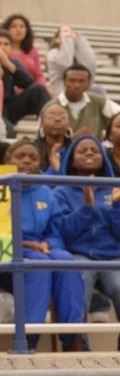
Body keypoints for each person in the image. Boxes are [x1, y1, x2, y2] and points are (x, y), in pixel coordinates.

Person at [0, 140, 85, 351]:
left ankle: (72, 338)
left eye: (33, 157)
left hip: (40, 248)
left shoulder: (45, 191)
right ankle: (28, 339)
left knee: (66, 261)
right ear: (8, 160)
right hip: (7, 253)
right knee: (38, 263)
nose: (27, 161)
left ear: (40, 163)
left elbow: (54, 231)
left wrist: (48, 243)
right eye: (20, 156)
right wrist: (27, 244)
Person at [53, 136, 120, 335]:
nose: (89, 153)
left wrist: (117, 206)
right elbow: (64, 233)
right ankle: (79, 344)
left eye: (94, 150)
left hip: (112, 257)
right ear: (72, 160)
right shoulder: (61, 192)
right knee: (78, 285)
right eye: (82, 151)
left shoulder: (115, 187)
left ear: (103, 159)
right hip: (79, 255)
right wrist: (87, 206)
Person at [0, 29, 48, 125]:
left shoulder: (13, 63)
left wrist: (9, 65)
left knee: (39, 89)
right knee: (7, 129)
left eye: (6, 44)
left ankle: (46, 126)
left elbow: (29, 83)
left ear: (11, 48)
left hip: (11, 106)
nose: (2, 47)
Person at [42, 64, 119, 139]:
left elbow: (117, 116)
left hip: (95, 151)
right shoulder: (50, 107)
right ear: (64, 82)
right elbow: (41, 138)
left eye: (81, 81)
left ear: (88, 83)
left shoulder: (99, 102)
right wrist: (72, 140)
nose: (77, 85)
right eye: (72, 80)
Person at [47, 26, 98, 98]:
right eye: (65, 31)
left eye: (71, 32)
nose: (70, 34)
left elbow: (90, 68)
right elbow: (65, 64)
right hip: (60, 91)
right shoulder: (53, 53)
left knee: (98, 90)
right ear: (57, 39)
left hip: (81, 91)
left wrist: (80, 41)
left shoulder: (78, 55)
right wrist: (68, 39)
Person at [0, 13, 47, 89]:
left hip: (30, 90)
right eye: (14, 26)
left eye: (22, 26)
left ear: (26, 30)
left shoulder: (32, 51)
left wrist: (43, 86)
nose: (18, 29)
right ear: (7, 29)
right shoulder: (0, 49)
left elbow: (39, 75)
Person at [34, 103, 72, 174]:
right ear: (41, 124)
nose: (57, 119)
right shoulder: (33, 149)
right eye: (51, 117)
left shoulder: (74, 150)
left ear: (68, 124)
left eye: (63, 117)